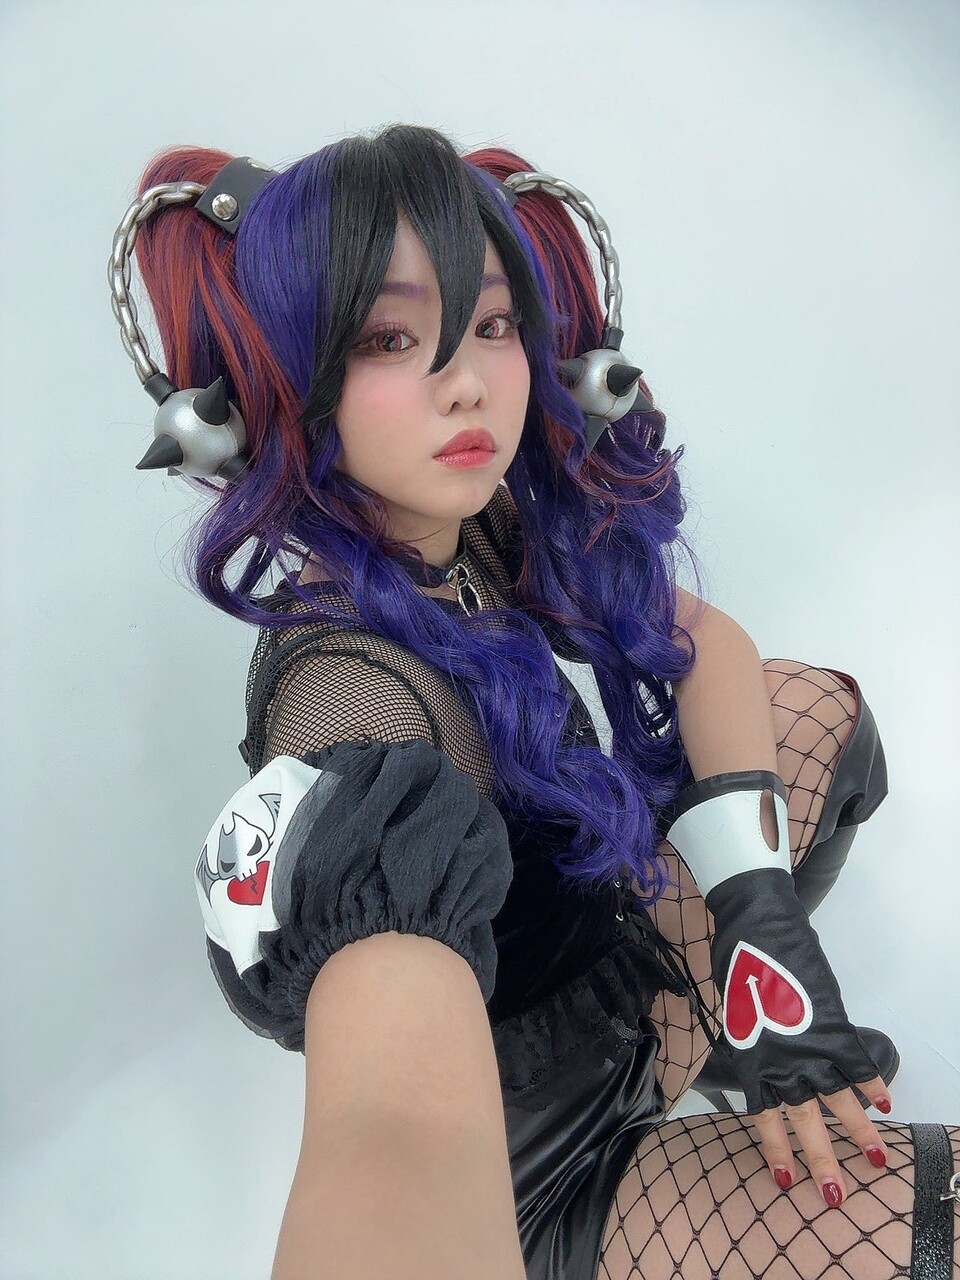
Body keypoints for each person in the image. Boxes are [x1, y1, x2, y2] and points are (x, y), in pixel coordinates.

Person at [110, 123, 959, 1279]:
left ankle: (725, 1036)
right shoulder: (352, 699)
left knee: (810, 712)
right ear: (287, 383)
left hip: (615, 979)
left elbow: (705, 646)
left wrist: (767, 938)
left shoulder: (463, 521)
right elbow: (390, 1135)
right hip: (540, 1169)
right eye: (389, 338)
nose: (466, 379)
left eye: (493, 324)